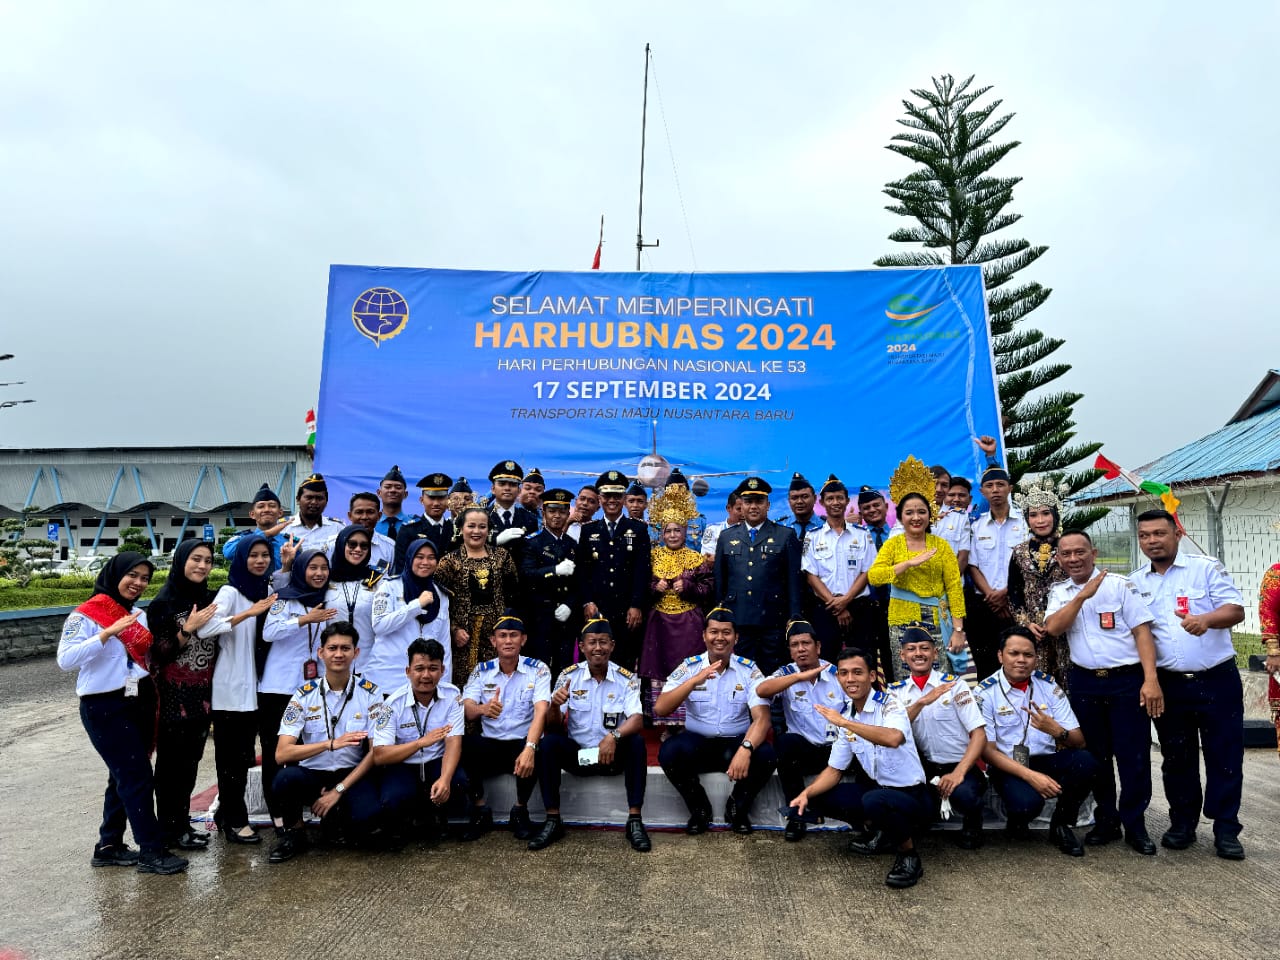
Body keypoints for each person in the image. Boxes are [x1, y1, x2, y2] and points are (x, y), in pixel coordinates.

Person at [57, 553, 188, 874]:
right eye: (133, 575)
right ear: (115, 574)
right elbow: (65, 659)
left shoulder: (138, 615)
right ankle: (151, 851)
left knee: (123, 776)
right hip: (104, 705)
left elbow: (146, 657)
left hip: (137, 699)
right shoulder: (87, 615)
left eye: (144, 578)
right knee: (137, 776)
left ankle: (109, 845)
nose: (138, 583)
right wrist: (106, 633)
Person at [1129, 509, 1247, 859]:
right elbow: (1141, 634)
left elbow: (1236, 609)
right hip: (1168, 685)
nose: (1152, 541)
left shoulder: (1205, 568)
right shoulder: (1136, 582)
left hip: (1216, 680)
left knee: (1224, 755)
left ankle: (1227, 828)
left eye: (1159, 533)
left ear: (1176, 534)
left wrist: (1207, 620)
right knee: (1176, 757)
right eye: (1145, 535)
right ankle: (1183, 823)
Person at [1044, 530, 1164, 855]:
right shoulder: (1059, 592)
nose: (1073, 559)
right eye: (1066, 554)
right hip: (1085, 682)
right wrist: (1082, 596)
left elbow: (1142, 631)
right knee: (1096, 757)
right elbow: (1053, 628)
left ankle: (1136, 825)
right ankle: (1107, 821)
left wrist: (1150, 679)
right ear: (1059, 559)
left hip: (1126, 681)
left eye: (1080, 552)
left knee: (1133, 755)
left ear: (1093, 553)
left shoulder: (1120, 585)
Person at [789, 647, 931, 889]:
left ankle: (909, 856)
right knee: (818, 797)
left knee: (875, 800)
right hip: (880, 789)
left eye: (857, 672)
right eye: (843, 673)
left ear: (872, 676)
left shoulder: (890, 704)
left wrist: (846, 723)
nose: (850, 679)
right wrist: (805, 794)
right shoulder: (846, 714)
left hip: (913, 797)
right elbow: (835, 770)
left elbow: (893, 738)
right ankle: (881, 833)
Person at [528, 620, 652, 852]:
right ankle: (553, 820)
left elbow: (636, 719)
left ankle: (634, 820)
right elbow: (553, 726)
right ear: (582, 647)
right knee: (549, 744)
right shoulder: (568, 677)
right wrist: (554, 707)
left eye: (603, 642)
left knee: (636, 742)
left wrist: (612, 737)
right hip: (582, 758)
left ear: (612, 646)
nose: (598, 648)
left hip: (612, 757)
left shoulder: (626, 679)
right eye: (592, 642)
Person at [268, 621, 386, 863]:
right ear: (321, 653)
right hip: (312, 774)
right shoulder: (303, 694)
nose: (339, 654)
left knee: (368, 818)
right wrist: (329, 744)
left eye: (345, 648)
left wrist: (338, 790)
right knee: (284, 779)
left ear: (356, 653)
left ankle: (337, 817)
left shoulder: (371, 693)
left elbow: (375, 753)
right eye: (332, 648)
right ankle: (295, 832)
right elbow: (282, 754)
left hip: (350, 775)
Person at [974, 627, 1097, 857]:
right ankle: (1017, 820)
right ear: (1001, 656)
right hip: (1006, 765)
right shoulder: (985, 693)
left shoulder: (1048, 686)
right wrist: (1031, 777)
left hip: (1044, 759)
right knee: (1026, 805)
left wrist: (1057, 731)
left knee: (1086, 762)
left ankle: (1060, 825)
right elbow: (988, 752)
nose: (1021, 660)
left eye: (1028, 655)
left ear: (1035, 658)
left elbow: (1079, 741)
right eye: (1014, 653)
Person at [655, 607, 777, 834]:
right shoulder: (689, 667)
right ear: (704, 636)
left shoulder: (748, 670)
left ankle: (738, 807)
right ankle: (699, 808)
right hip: (698, 746)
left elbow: (762, 719)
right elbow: (661, 708)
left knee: (766, 754)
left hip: (735, 746)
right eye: (713, 632)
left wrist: (746, 748)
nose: (720, 638)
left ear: (736, 637)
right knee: (670, 752)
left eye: (726, 632)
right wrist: (692, 682)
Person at [201, 533, 277, 845]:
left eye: (265, 555)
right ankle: (235, 820)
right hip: (231, 689)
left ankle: (228, 815)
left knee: (244, 756)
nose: (260, 561)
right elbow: (206, 627)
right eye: (253, 555)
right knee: (230, 759)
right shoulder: (231, 591)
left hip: (255, 687)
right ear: (241, 558)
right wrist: (249, 613)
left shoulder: (267, 590)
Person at [148, 539, 222, 851]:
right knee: (170, 767)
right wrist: (187, 629)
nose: (202, 566)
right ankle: (167, 830)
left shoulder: (210, 599)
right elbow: (158, 654)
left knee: (191, 761)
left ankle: (181, 825)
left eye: (207, 560)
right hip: (172, 696)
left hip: (202, 694)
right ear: (181, 561)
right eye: (196, 559)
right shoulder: (162, 603)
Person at [867, 457, 967, 681]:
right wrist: (907, 564)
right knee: (906, 682)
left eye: (921, 512)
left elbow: (954, 588)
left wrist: (959, 631)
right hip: (901, 620)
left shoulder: (940, 546)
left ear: (929, 515)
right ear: (901, 517)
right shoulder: (893, 544)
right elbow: (875, 577)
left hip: (937, 622)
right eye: (909, 512)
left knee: (941, 683)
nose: (916, 517)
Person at [888, 624, 988, 849]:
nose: (918, 654)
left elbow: (979, 734)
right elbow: (893, 731)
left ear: (935, 653)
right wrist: (922, 701)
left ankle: (973, 821)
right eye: (911, 649)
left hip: (960, 765)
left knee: (966, 797)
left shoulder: (954, 685)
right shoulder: (895, 692)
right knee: (919, 819)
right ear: (903, 656)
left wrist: (957, 774)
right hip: (924, 768)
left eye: (924, 648)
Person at [259, 549, 338, 830]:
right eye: (312, 568)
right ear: (301, 569)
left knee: (306, 753)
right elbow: (270, 632)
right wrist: (304, 620)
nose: (318, 573)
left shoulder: (327, 601)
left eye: (323, 568)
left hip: (310, 689)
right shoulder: (284, 600)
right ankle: (279, 815)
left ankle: (304, 813)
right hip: (278, 688)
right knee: (276, 753)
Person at [459, 612, 551, 842]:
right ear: (493, 641)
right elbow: (466, 708)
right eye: (502, 636)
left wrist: (530, 747)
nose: (508, 641)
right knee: (463, 744)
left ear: (524, 640)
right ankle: (480, 810)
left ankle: (519, 810)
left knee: (541, 747)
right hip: (491, 743)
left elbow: (541, 711)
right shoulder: (482, 671)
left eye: (513, 635)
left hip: (520, 743)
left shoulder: (538, 669)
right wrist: (482, 709)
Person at [753, 621, 844, 842]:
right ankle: (797, 815)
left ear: (818, 647)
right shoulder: (785, 674)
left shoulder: (837, 674)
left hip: (839, 750)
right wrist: (798, 677)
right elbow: (761, 690)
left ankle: (868, 817)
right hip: (806, 751)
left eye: (805, 643)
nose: (801, 649)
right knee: (785, 743)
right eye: (794, 645)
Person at [372, 638, 466, 846]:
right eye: (419, 668)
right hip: (403, 764)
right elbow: (380, 755)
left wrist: (445, 779)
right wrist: (420, 743)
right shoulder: (392, 704)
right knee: (391, 800)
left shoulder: (452, 696)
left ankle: (435, 816)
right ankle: (411, 819)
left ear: (442, 670)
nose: (426, 675)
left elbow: (453, 743)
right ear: (408, 671)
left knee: (458, 783)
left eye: (433, 668)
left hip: (435, 762)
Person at [639, 481, 715, 727]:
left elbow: (709, 590)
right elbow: (639, 589)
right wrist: (653, 587)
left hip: (689, 622)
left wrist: (690, 587)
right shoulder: (651, 557)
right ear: (661, 533)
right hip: (659, 622)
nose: (673, 535)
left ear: (686, 531)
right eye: (668, 531)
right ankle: (664, 723)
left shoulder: (696, 558)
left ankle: (690, 722)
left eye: (677, 530)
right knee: (660, 670)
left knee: (688, 670)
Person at [712, 476, 802, 675]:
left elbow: (794, 581)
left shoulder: (785, 535)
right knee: (741, 672)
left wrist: (794, 616)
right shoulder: (727, 537)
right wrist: (719, 614)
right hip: (738, 617)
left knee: (773, 672)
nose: (753, 506)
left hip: (773, 618)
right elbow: (721, 580)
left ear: (768, 505)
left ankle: (773, 708)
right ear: (741, 505)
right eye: (748, 501)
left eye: (759, 501)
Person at [435, 506, 520, 686]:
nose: (476, 531)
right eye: (471, 526)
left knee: (497, 682)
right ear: (461, 528)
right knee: (463, 685)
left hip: (496, 635)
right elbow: (439, 602)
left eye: (482, 526)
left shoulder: (502, 557)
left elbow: (514, 594)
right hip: (462, 637)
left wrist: (507, 627)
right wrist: (454, 629)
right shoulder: (449, 561)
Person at [575, 470, 651, 670]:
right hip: (596, 608)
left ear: (624, 499)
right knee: (593, 661)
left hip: (626, 608)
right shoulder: (588, 530)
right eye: (607, 496)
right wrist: (587, 602)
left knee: (625, 660)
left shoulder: (638, 530)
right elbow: (582, 570)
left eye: (617, 496)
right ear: (600, 499)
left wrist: (636, 605)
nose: (612, 500)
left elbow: (642, 570)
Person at [802, 474, 876, 662]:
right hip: (826, 608)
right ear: (822, 502)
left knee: (863, 660)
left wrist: (846, 600)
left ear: (847, 500)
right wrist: (837, 606)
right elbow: (811, 576)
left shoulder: (861, 534)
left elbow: (867, 571)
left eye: (839, 498)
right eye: (830, 498)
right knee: (827, 661)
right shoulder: (813, 536)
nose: (835, 502)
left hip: (858, 607)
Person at [1006, 477, 1070, 683]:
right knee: (1039, 683)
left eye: (1045, 513)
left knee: (1068, 680)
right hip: (1034, 632)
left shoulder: (1069, 548)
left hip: (1067, 628)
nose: (1040, 520)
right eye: (1033, 515)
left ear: (1055, 515)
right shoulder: (1019, 552)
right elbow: (1014, 592)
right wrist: (1027, 624)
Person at [967, 464, 1028, 679]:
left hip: (1018, 603)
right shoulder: (977, 526)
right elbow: (972, 565)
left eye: (1000, 485)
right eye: (989, 486)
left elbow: (1027, 566)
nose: (995, 490)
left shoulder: (1026, 523)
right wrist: (991, 595)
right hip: (986, 604)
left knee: (1019, 663)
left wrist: (1006, 594)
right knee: (986, 663)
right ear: (982, 491)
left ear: (1010, 488)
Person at [369, 538, 452, 690]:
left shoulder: (441, 594)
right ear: (410, 558)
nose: (425, 562)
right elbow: (379, 626)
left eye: (431, 557)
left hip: (423, 682)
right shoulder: (389, 587)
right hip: (388, 678)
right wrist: (416, 605)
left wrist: (444, 685)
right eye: (419, 557)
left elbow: (444, 644)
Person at [519, 488, 581, 673]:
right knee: (539, 665)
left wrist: (570, 604)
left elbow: (580, 582)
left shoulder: (572, 544)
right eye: (552, 511)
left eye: (562, 511)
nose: (557, 516)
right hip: (540, 614)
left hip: (566, 617)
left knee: (564, 666)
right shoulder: (532, 542)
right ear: (543, 513)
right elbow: (526, 575)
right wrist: (554, 570)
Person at [853, 485, 893, 679]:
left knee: (893, 657)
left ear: (886, 506)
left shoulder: (898, 535)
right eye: (866, 508)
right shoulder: (856, 537)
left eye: (876, 505)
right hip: (867, 606)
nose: (872, 510)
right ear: (861, 512)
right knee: (866, 660)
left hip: (894, 604)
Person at [324, 525, 381, 660]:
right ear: (341, 544)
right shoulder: (325, 578)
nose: (358, 549)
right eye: (352, 544)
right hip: (333, 659)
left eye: (364, 546)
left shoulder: (377, 578)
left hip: (367, 660)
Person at [393, 472, 456, 572]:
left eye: (441, 498)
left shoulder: (455, 529)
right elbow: (401, 567)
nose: (436, 503)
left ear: (448, 500)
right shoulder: (409, 530)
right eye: (431, 498)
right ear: (421, 500)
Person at [320, 493, 396, 569]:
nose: (364, 517)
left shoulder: (389, 547)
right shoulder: (332, 544)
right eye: (359, 512)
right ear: (350, 516)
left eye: (370, 512)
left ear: (379, 516)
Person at [222, 483, 289, 569]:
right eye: (261, 506)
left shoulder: (290, 543)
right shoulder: (241, 539)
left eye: (272, 506)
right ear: (252, 514)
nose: (267, 510)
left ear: (280, 512)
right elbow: (228, 553)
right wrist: (266, 534)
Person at [281, 473, 344, 549]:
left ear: (326, 502)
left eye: (319, 498)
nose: (314, 502)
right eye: (309, 497)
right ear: (298, 500)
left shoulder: (338, 528)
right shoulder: (283, 527)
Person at [487, 459, 539, 547]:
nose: (507, 488)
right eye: (502, 484)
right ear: (493, 489)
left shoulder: (530, 519)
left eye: (512, 484)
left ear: (519, 491)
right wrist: (495, 541)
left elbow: (533, 552)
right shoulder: (481, 516)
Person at [375, 464, 419, 542]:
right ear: (379, 493)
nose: (392, 490)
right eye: (388, 487)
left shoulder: (416, 524)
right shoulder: (371, 523)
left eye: (398, 487)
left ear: (405, 494)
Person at [780, 472, 824, 546]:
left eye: (805, 496)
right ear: (789, 501)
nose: (799, 501)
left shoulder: (827, 526)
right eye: (794, 498)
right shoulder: (779, 527)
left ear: (815, 498)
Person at [700, 491, 743, 558]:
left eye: (746, 509)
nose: (743, 514)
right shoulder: (713, 530)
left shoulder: (755, 531)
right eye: (739, 509)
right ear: (728, 508)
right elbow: (707, 558)